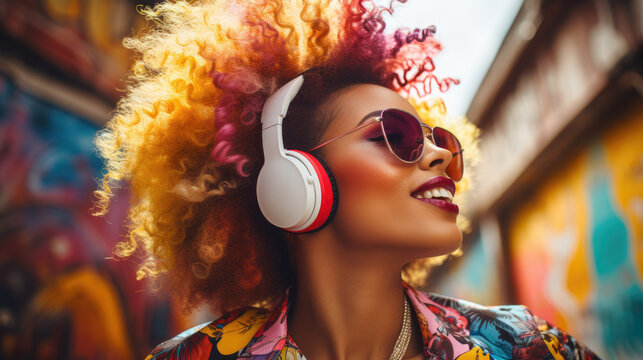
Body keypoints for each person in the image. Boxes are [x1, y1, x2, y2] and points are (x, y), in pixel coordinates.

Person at [94, 0, 601, 359]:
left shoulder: (528, 346)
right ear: (293, 183)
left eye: (440, 140)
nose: (438, 156)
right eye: (394, 134)